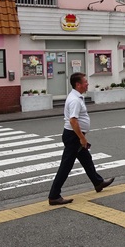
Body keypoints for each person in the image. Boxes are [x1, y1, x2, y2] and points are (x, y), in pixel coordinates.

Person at [48, 72, 114, 205]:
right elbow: (73, 121)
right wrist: (82, 138)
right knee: (66, 166)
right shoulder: (74, 100)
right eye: (85, 82)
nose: (87, 83)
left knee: (86, 159)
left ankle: (98, 182)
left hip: (74, 135)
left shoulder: (76, 96)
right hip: (73, 136)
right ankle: (54, 195)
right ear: (78, 85)